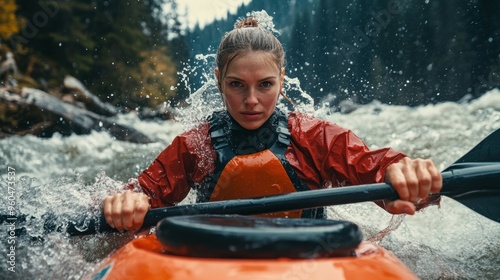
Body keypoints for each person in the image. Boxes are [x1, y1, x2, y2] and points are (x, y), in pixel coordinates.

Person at [103, 17, 442, 232]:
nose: (251, 100)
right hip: (217, 259)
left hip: (309, 257)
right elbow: (143, 194)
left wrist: (406, 175)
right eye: (237, 85)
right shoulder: (195, 146)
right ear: (219, 80)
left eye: (265, 85)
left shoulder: (316, 137)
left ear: (281, 79)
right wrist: (126, 203)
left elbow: (377, 169)